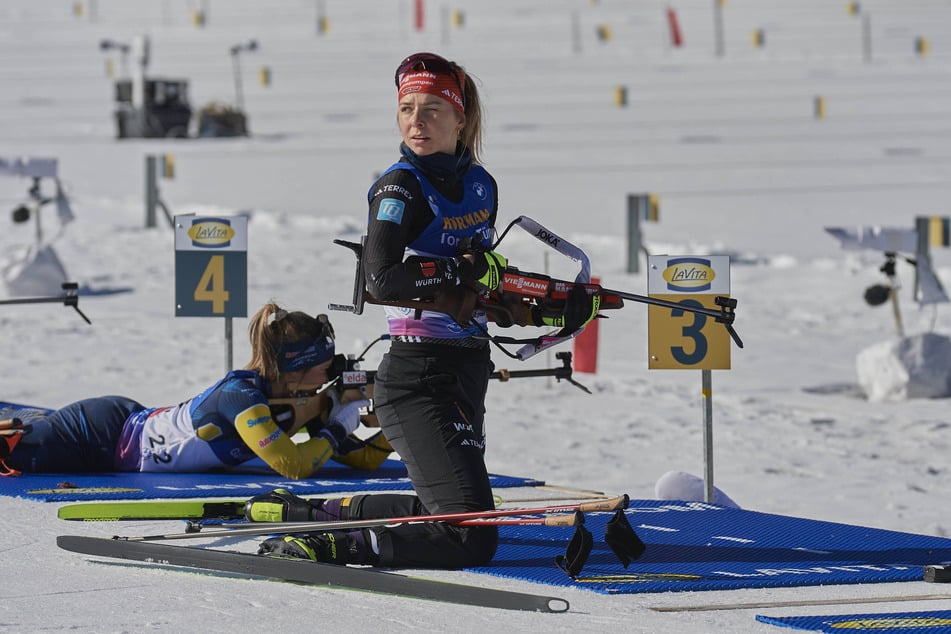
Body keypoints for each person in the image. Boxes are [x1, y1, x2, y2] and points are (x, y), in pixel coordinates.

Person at [254, 52, 598, 569]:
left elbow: (483, 291)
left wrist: (555, 310)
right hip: (417, 376)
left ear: (461, 119)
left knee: (452, 509)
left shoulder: (481, 184)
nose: (417, 121)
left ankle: (314, 512)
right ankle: (326, 546)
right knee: (471, 538)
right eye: (407, 108)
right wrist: (460, 269)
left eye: (433, 109)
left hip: (466, 369)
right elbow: (382, 278)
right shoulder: (400, 186)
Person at [0, 303, 391, 478]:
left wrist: (393, 425)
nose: (331, 369)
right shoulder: (242, 394)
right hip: (106, 433)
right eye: (325, 363)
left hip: (120, 442)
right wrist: (339, 424)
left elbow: (360, 461)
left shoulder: (306, 400)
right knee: (10, 447)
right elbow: (293, 465)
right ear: (297, 365)